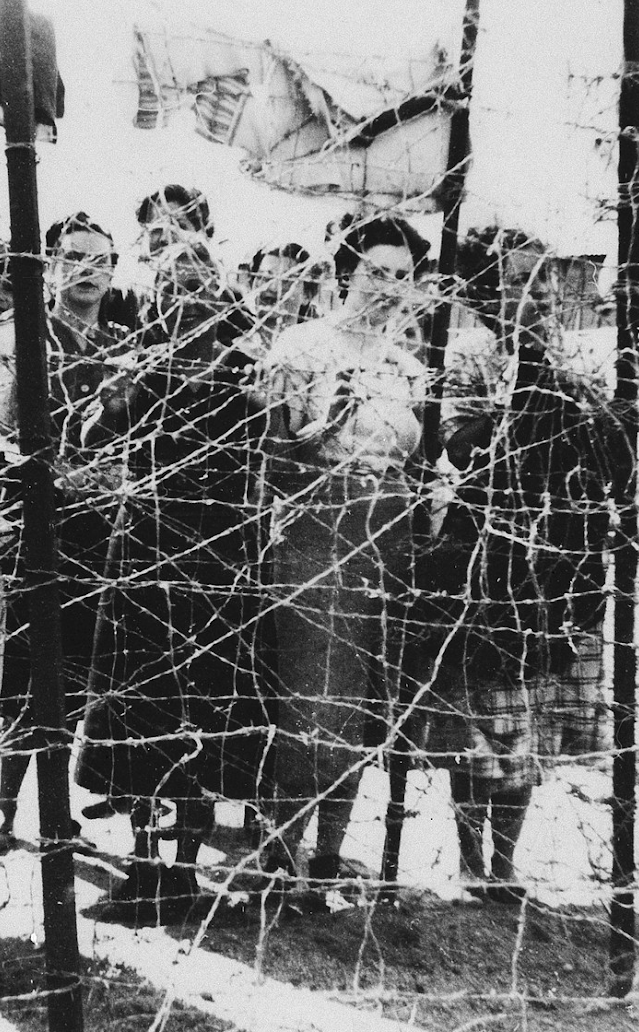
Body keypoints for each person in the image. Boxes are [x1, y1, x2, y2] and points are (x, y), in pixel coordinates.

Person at [75, 241, 269, 922]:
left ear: (221, 299)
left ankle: (185, 868)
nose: (189, 302)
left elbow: (270, 459)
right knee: (141, 711)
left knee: (206, 713)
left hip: (218, 565)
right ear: (157, 299)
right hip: (146, 557)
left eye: (201, 288)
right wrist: (109, 404)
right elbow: (89, 439)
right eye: (174, 288)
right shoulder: (141, 367)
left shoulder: (247, 375)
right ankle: (142, 865)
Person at [431, 228, 626, 899]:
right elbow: (460, 444)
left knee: (533, 717)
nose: (537, 294)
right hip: (490, 551)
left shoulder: (580, 363)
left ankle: (507, 861)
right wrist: (525, 397)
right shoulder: (471, 355)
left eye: (544, 281)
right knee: (484, 708)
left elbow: (608, 457)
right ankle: (468, 854)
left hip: (559, 554)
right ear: (491, 292)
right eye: (520, 282)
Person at [0, 212, 134, 858]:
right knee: (24, 669)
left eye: (99, 261)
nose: (87, 272)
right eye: (74, 258)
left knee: (74, 671)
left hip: (96, 524)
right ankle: (4, 810)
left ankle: (57, 812)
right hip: (30, 520)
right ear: (50, 265)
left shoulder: (120, 347)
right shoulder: (19, 336)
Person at [252, 214, 430, 905]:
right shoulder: (302, 346)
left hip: (383, 538)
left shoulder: (409, 364)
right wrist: (328, 427)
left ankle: (328, 856)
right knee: (305, 698)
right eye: (374, 274)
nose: (388, 288)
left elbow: (414, 460)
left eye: (402, 277)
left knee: (355, 706)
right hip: (313, 533)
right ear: (341, 276)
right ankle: (278, 850)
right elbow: (274, 456)